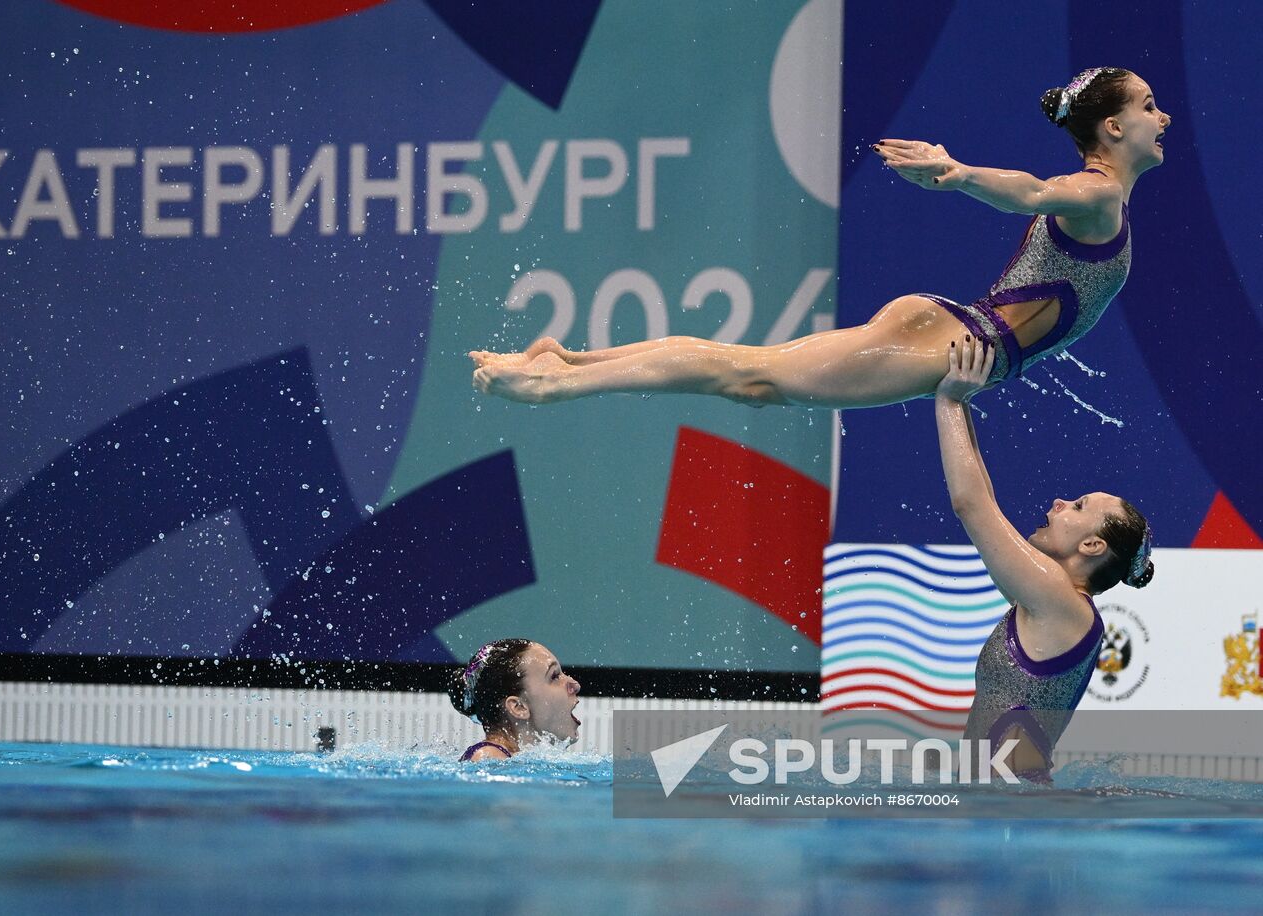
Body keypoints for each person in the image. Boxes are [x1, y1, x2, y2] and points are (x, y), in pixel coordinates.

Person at [470, 68, 1169, 409]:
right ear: (1111, 129)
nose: (1161, 116)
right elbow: (1036, 189)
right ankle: (552, 386)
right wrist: (957, 174)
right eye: (1146, 106)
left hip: (942, 332)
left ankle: (570, 362)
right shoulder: (1099, 194)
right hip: (949, 342)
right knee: (743, 372)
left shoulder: (1106, 201)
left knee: (749, 376)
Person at [934, 336, 1153, 779]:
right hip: (1009, 808)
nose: (1058, 502)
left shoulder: (1059, 601)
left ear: (1092, 547)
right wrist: (965, 400)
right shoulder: (1050, 603)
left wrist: (948, 400)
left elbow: (971, 505)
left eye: (1077, 507)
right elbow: (985, 498)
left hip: (1011, 814)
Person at [448, 638, 582, 761]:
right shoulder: (488, 756)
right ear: (518, 707)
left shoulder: (516, 760)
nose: (575, 685)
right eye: (554, 676)